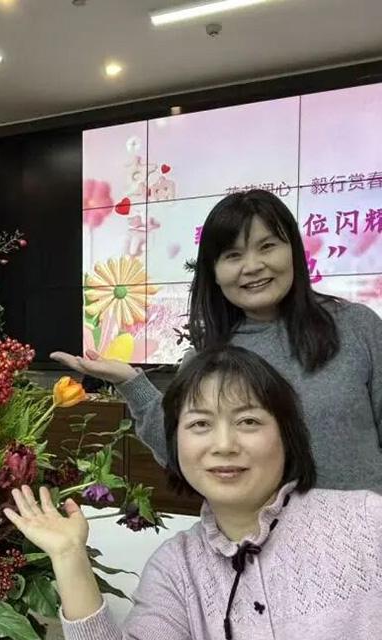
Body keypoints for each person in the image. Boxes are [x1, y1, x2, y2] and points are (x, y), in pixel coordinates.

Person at [4, 346, 381, 640]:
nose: (224, 444)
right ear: (175, 443)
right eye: (200, 424)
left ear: (287, 435)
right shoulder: (179, 569)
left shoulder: (364, 523)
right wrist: (69, 557)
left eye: (249, 421)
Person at [53, 189, 382, 491]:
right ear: (214, 272)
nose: (252, 266)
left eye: (267, 247)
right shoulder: (211, 356)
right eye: (233, 255)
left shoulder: (355, 326)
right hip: (254, 535)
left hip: (364, 530)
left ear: (293, 251)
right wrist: (130, 382)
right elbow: (180, 452)